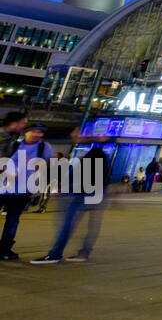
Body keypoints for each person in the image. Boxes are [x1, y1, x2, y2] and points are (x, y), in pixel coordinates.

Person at [32, 145, 109, 264]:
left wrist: (63, 188)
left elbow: (84, 177)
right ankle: (84, 253)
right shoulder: (100, 154)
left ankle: (55, 254)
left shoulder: (93, 153)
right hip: (97, 193)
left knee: (67, 224)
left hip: (84, 194)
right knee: (91, 225)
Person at [0, 121, 52, 260]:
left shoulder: (43, 147)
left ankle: (4, 249)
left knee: (12, 221)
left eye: (40, 132)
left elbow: (45, 165)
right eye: (34, 131)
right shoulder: (14, 144)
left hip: (22, 190)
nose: (37, 134)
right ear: (26, 132)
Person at [0, 111, 33, 261]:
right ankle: (4, 250)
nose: (24, 126)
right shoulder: (3, 136)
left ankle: (5, 249)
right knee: (12, 219)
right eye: (23, 123)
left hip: (12, 186)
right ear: (14, 123)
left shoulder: (13, 139)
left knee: (13, 219)